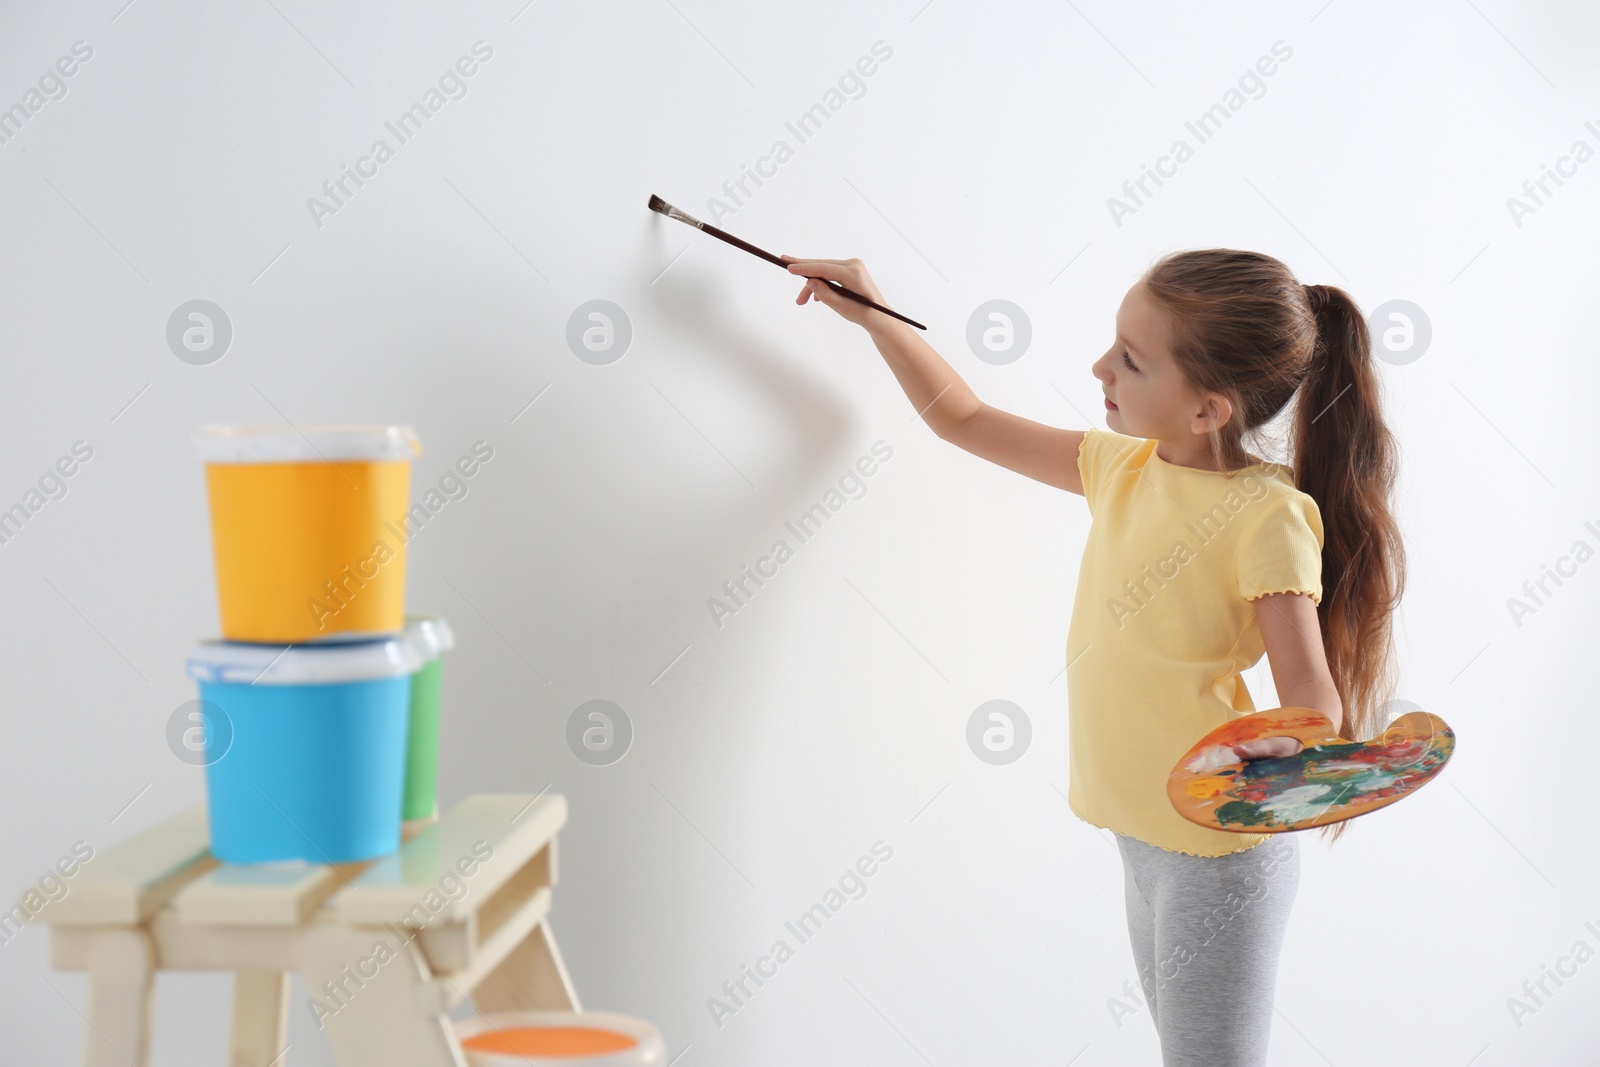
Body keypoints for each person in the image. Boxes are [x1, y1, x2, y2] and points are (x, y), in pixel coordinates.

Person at [780, 249, 1405, 1066]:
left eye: (1132, 360)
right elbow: (962, 419)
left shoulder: (1266, 515)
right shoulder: (1124, 467)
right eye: (1115, 344)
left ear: (1208, 410)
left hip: (1220, 857)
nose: (1099, 365)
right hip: (1141, 836)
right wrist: (875, 315)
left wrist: (1284, 745)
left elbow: (1313, 701)